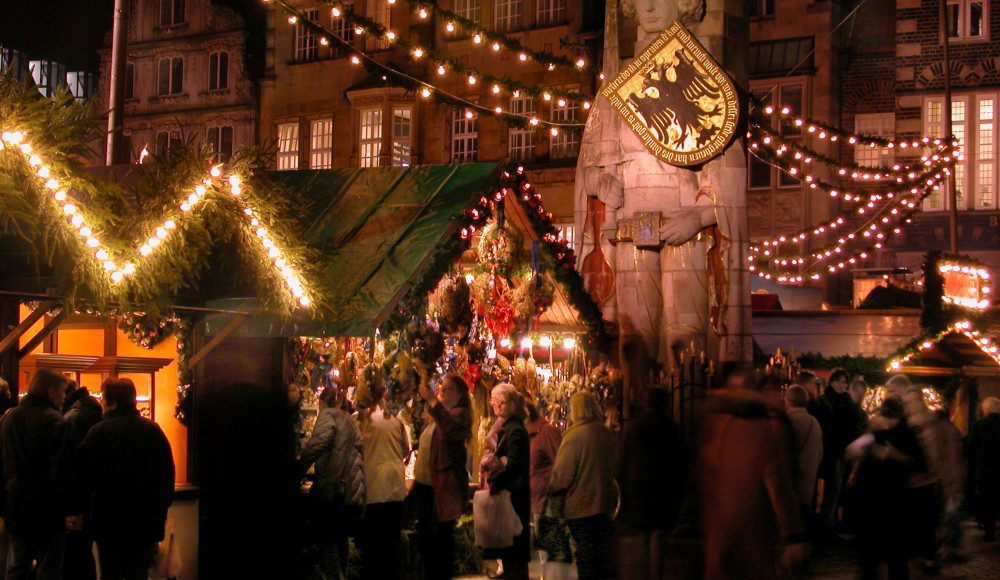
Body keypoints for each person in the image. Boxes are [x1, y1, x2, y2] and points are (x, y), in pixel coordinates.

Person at [574, 0, 751, 378]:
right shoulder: (614, 92)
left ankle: (684, 422)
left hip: (685, 228)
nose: (649, 6)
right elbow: (591, 167)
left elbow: (726, 164)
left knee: (685, 340)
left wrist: (701, 216)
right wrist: (605, 184)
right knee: (634, 339)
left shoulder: (706, 76)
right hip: (629, 230)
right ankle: (634, 421)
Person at [697, 374, 807, 579]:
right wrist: (794, 535)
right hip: (753, 532)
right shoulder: (762, 434)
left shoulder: (718, 428)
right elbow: (778, 486)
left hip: (721, 531)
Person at [76, 377, 174, 580]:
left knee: (110, 573)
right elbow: (166, 476)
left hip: (109, 521)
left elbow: (84, 476)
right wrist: (160, 513)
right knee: (138, 574)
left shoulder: (98, 433)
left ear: (111, 402)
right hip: (146, 522)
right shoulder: (152, 430)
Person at [0, 369, 75, 580]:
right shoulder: (55, 422)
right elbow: (63, 470)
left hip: (16, 506)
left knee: (18, 566)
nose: (63, 396)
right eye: (62, 391)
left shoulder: (10, 418)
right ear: (50, 391)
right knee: (49, 568)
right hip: (49, 510)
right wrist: (71, 507)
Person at [847, 397, 927, 580]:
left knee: (893, 558)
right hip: (876, 502)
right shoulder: (875, 434)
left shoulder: (906, 434)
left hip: (893, 502)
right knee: (875, 559)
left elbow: (920, 465)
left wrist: (893, 455)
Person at [547, 392, 617, 580]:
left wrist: (550, 488)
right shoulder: (605, 432)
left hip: (581, 505)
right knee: (599, 556)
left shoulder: (575, 436)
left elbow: (562, 474)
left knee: (585, 557)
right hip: (604, 504)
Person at [298, 384, 365, 580]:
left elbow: (315, 446)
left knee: (326, 538)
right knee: (340, 536)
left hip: (333, 488)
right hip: (352, 490)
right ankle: (341, 574)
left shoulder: (329, 416)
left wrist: (295, 470)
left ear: (323, 403)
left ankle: (334, 576)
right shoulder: (351, 421)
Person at [617, 387, 683, 580]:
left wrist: (623, 482)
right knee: (659, 537)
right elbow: (678, 459)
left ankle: (641, 573)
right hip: (663, 486)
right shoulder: (670, 426)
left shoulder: (635, 426)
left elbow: (623, 457)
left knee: (643, 536)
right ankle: (656, 574)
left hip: (639, 486)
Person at [417, 374, 473, 580]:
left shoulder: (458, 415)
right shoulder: (437, 415)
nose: (442, 390)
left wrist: (433, 401)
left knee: (439, 538)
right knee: (426, 538)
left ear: (459, 396)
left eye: (448, 389)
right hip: (426, 485)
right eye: (442, 386)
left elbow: (451, 432)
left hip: (442, 486)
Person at [357, 393, 409, 580]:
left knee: (373, 545)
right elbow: (405, 449)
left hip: (374, 486)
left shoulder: (361, 420)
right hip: (395, 485)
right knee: (391, 544)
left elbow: (356, 449)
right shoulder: (396, 421)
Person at [482, 383, 530, 580]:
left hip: (514, 497)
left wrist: (497, 481)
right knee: (510, 552)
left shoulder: (515, 430)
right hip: (512, 495)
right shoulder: (509, 428)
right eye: (495, 402)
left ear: (513, 404)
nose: (497, 406)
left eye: (502, 403)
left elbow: (515, 465)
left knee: (514, 552)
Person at [815, 368, 866, 540]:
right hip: (834, 451)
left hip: (842, 449)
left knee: (837, 489)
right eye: (841, 381)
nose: (843, 385)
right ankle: (827, 526)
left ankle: (831, 523)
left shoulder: (842, 401)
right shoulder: (827, 401)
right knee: (833, 489)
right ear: (833, 382)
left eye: (845, 382)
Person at [62, 380, 102, 580]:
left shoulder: (72, 418)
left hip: (79, 501)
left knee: (74, 557)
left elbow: (71, 466)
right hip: (95, 499)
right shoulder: (93, 412)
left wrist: (72, 507)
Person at [785, 385, 823, 525]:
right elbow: (820, 455)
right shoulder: (814, 423)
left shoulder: (786, 421)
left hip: (788, 485)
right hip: (807, 485)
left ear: (787, 400)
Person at [968, 397, 1000, 541]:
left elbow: (971, 449)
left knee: (987, 501)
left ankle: (989, 531)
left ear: (985, 410)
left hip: (985, 470)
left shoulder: (980, 426)